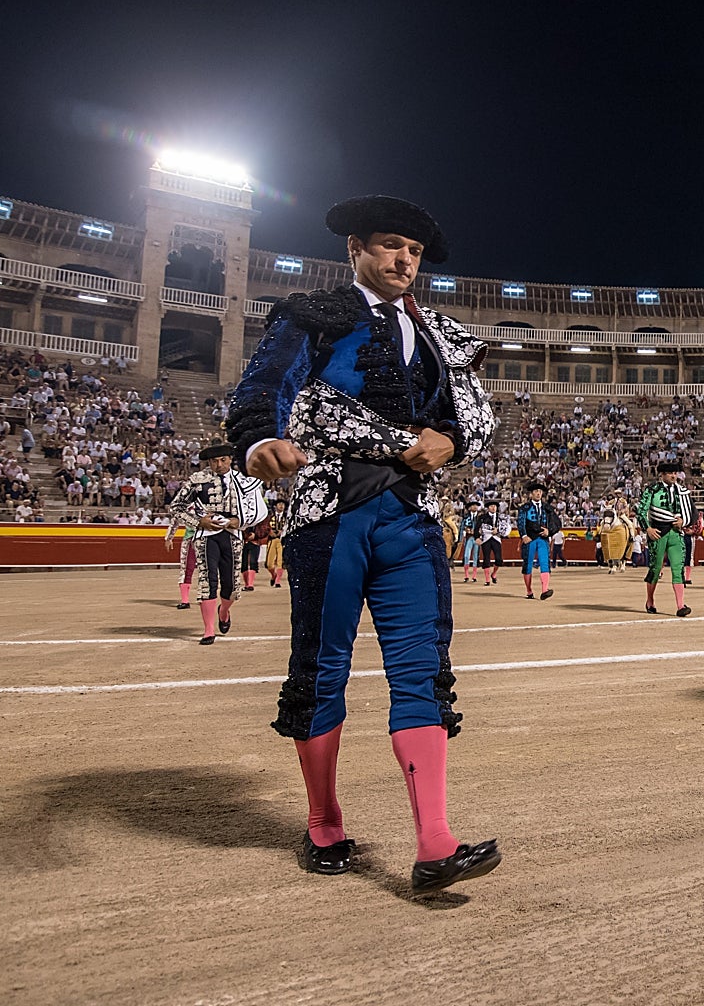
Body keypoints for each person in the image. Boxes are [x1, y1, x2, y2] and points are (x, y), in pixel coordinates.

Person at [226, 194, 501, 892]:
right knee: (322, 669)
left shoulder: (442, 331)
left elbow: (475, 414)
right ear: (356, 249)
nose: (403, 258)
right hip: (330, 512)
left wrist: (455, 438)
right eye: (389, 245)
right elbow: (267, 389)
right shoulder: (311, 315)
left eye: (412, 250)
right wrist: (259, 439)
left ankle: (435, 839)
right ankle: (323, 821)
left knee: (423, 671)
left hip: (411, 518)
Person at [167, 442, 267, 643]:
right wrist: (199, 521)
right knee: (207, 580)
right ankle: (209, 630)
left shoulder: (244, 481)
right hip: (205, 536)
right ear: (209, 463)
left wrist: (239, 522)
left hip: (232, 534)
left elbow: (257, 510)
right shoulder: (198, 480)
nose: (219, 465)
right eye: (214, 461)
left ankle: (224, 612)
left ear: (230, 460)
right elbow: (176, 507)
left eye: (223, 460)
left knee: (230, 584)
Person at [637, 461, 694, 617]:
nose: (674, 475)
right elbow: (641, 511)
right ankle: (650, 600)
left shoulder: (681, 491)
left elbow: (691, 512)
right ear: (662, 474)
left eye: (675, 473)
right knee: (655, 569)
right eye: (670, 473)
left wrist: (684, 522)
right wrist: (647, 529)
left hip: (676, 534)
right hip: (657, 533)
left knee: (678, 569)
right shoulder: (652, 490)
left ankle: (681, 605)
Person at [517, 481, 559, 599]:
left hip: (542, 538)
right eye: (536, 491)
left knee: (545, 563)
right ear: (531, 494)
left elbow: (556, 523)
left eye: (540, 491)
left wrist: (549, 531)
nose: (538, 493)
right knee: (528, 564)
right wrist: (524, 535)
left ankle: (544, 590)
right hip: (530, 538)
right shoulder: (524, 508)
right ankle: (529, 591)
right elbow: (521, 522)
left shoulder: (547, 508)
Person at [476, 501, 505, 585]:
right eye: (491, 506)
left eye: (495, 506)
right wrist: (477, 537)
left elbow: (505, 527)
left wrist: (498, 530)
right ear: (488, 508)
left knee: (499, 559)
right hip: (486, 539)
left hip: (496, 538)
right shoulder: (482, 517)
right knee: (486, 559)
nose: (493, 508)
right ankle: (487, 579)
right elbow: (477, 528)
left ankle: (494, 574)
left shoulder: (501, 517)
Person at [457, 500, 482, 583]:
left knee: (475, 556)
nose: (475, 507)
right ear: (469, 508)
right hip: (469, 538)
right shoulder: (466, 517)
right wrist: (460, 539)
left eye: (476, 505)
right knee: (466, 556)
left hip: (477, 538)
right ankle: (466, 575)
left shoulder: (480, 517)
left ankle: (474, 576)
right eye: (473, 505)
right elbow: (461, 528)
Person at [264, 498, 287, 588]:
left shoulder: (287, 516)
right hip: (272, 540)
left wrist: (283, 531)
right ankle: (274, 575)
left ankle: (277, 581)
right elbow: (265, 526)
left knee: (280, 561)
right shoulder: (270, 516)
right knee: (269, 563)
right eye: (279, 504)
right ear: (275, 506)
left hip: (282, 540)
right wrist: (269, 531)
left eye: (283, 504)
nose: (281, 506)